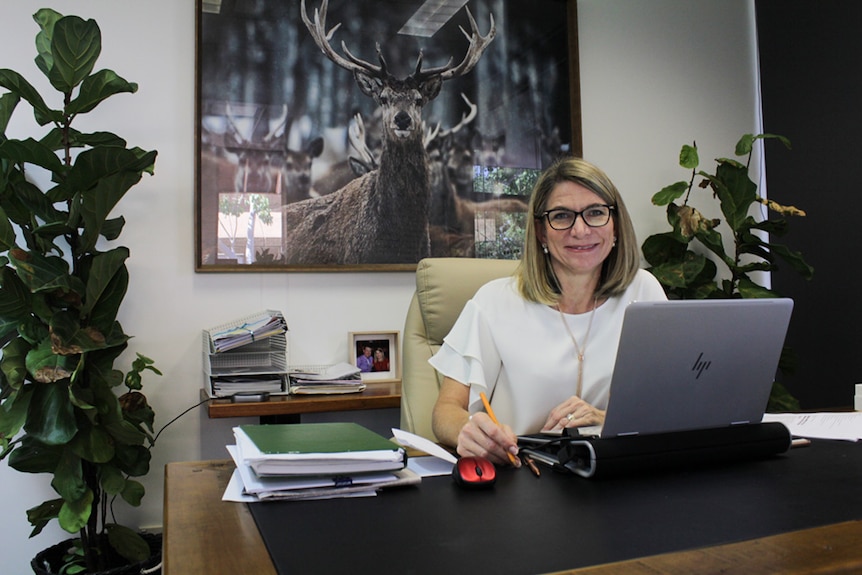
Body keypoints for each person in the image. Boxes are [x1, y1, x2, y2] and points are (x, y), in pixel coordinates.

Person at [430, 156, 667, 467]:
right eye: (562, 216)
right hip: (524, 476)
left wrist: (601, 419)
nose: (580, 230)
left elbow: (668, 405)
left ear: (616, 225)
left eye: (595, 213)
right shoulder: (494, 301)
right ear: (541, 231)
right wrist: (468, 431)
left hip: (618, 475)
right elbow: (445, 410)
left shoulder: (644, 292)